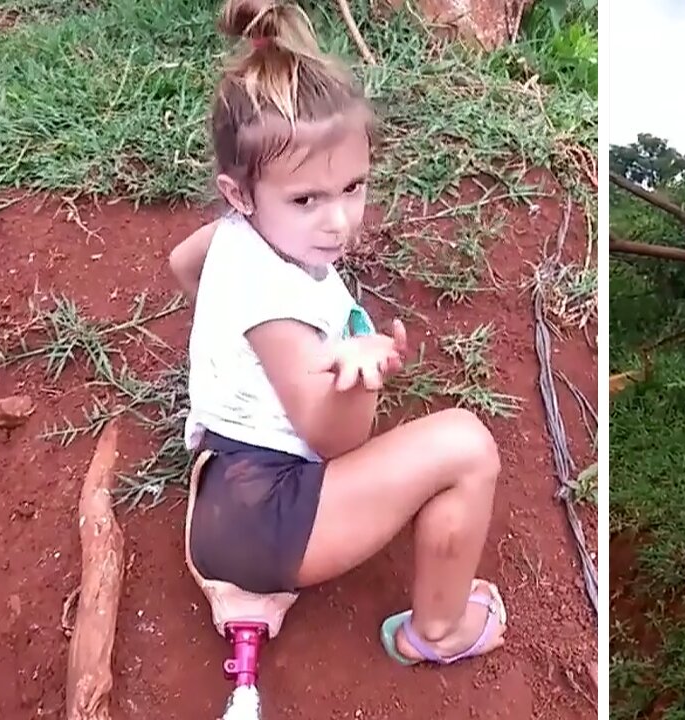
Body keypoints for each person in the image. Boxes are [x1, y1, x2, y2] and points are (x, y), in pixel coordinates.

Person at [166, 0, 507, 667]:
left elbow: (184, 266)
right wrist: (356, 375)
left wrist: (230, 348)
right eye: (307, 200)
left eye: (352, 187)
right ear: (240, 193)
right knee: (467, 445)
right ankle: (436, 632)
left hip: (224, 491)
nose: (339, 221)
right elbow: (336, 438)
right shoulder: (278, 305)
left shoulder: (235, 233)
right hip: (265, 522)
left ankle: (244, 586)